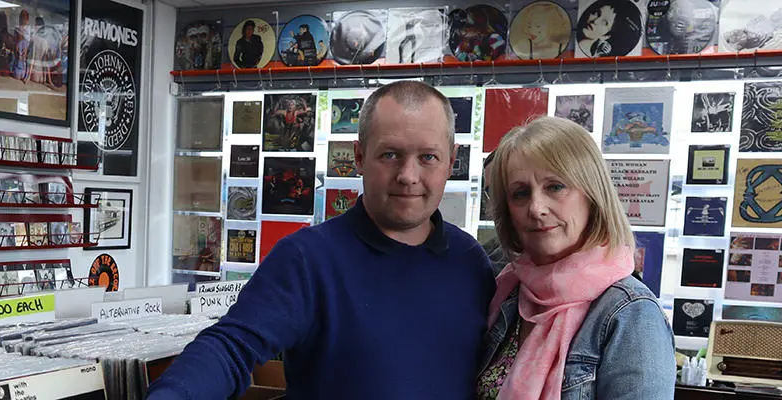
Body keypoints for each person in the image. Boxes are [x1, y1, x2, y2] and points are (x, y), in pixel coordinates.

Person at [147, 81, 495, 399]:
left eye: (428, 157)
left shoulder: (471, 261)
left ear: (451, 161)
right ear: (359, 157)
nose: (408, 176)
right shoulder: (307, 259)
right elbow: (232, 346)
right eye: (390, 155)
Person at [476, 117, 675, 399]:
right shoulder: (509, 291)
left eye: (555, 187)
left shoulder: (631, 313)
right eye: (520, 193)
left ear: (592, 194)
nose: (536, 207)